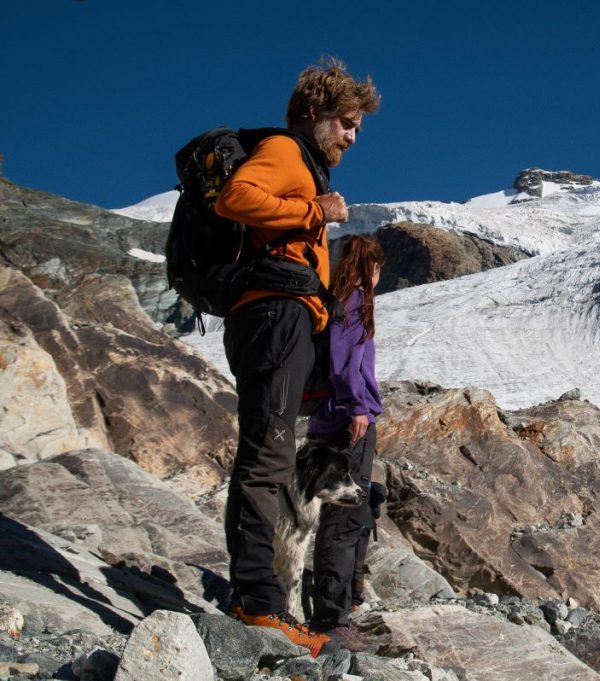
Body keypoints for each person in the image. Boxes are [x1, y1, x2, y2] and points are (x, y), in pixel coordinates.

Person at [215, 58, 380, 657]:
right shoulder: (287, 153)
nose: (352, 137)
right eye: (346, 122)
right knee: (268, 456)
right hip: (275, 314)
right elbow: (236, 197)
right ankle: (258, 604)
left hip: (277, 318)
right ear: (314, 114)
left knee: (267, 448)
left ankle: (255, 596)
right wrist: (318, 212)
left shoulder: (300, 161)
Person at [305, 235, 385, 651]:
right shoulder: (352, 299)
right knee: (343, 517)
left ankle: (340, 607)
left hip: (337, 418)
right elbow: (342, 360)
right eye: (378, 267)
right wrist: (356, 406)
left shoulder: (340, 298)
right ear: (371, 265)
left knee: (348, 514)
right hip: (345, 421)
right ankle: (330, 619)